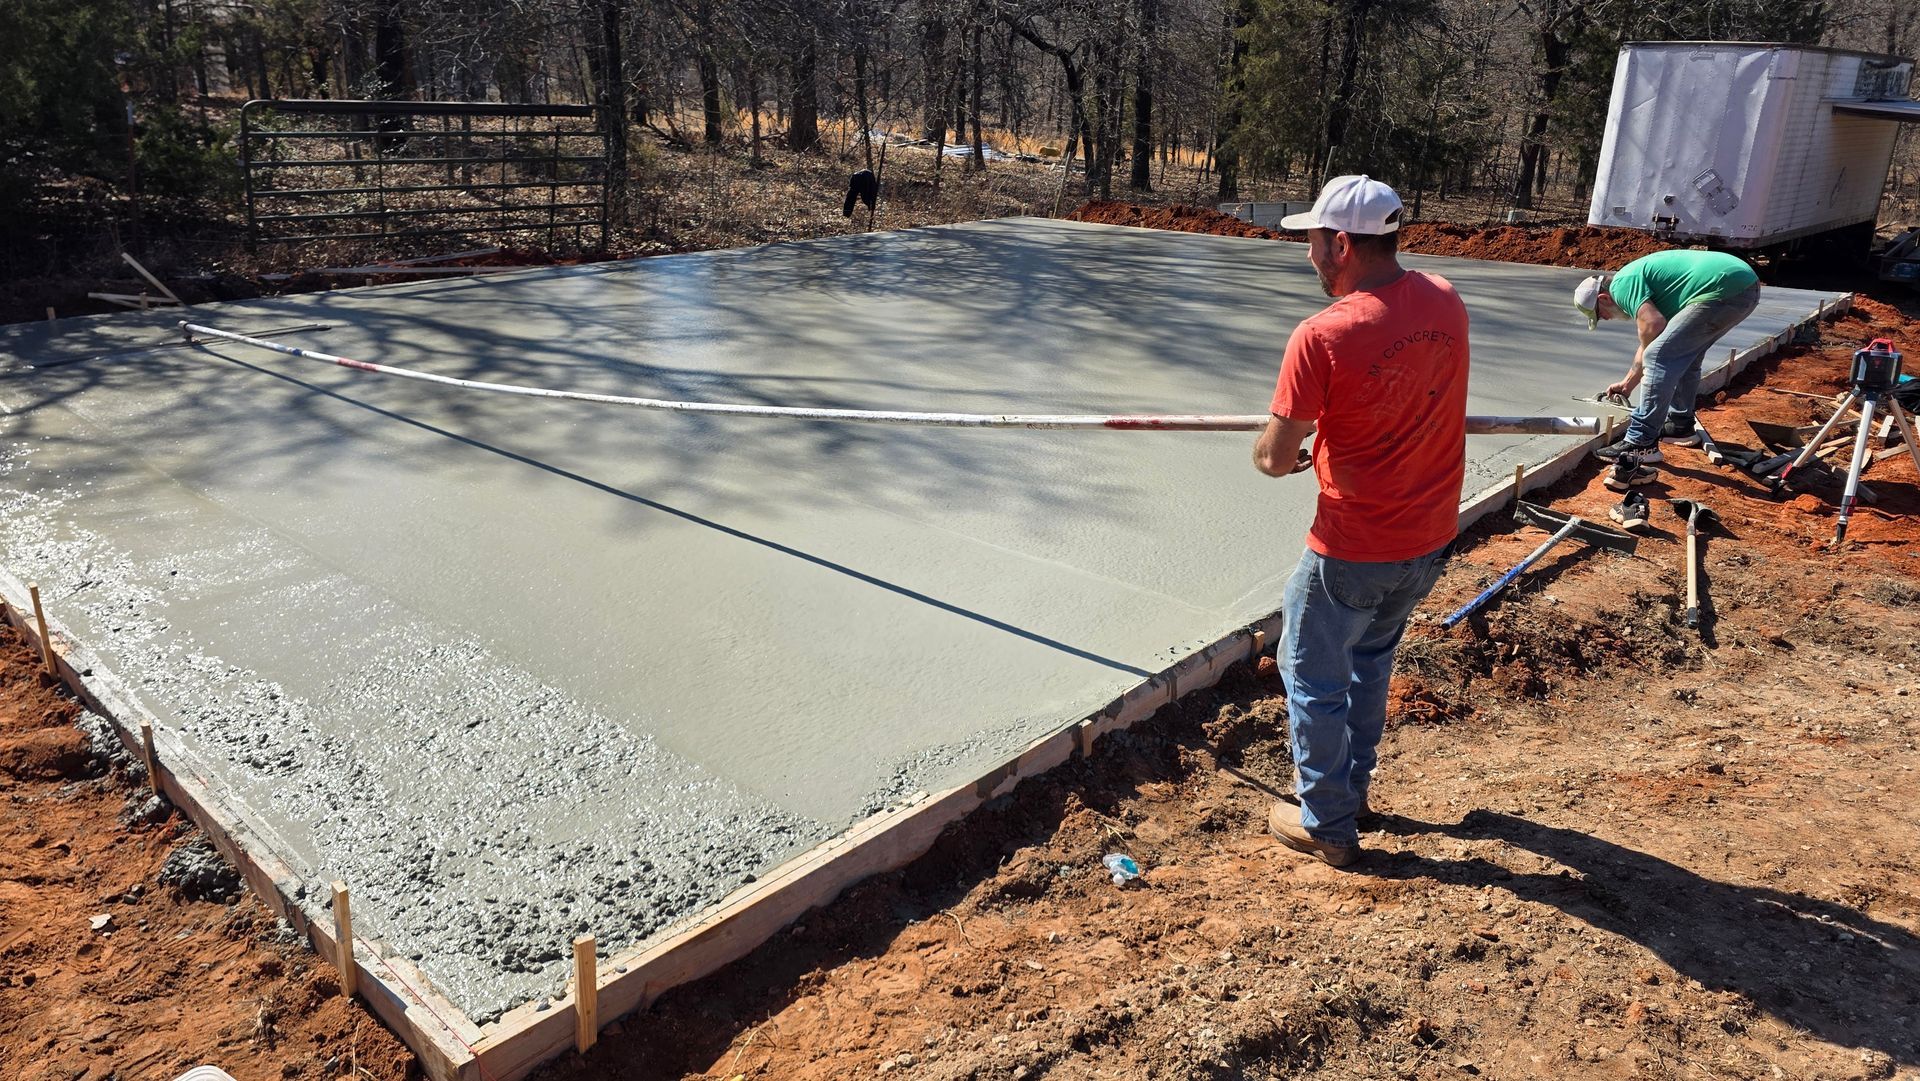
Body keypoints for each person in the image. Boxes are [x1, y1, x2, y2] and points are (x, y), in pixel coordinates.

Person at [1253, 175, 1470, 868]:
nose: (1309, 255)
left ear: (1341, 244)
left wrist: (1276, 449)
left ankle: (1327, 823)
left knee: (1311, 675)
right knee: (1369, 663)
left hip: (1353, 545)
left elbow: (1274, 458)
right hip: (1429, 536)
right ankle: (1354, 792)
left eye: (1314, 242)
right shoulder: (1444, 299)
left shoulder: (1322, 334)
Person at [1573, 250, 1761, 461]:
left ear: (1604, 298)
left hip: (1722, 287)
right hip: (1742, 286)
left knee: (1658, 357)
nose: (1606, 319)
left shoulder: (1621, 285)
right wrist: (1627, 384)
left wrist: (1650, 358)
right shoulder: (1655, 292)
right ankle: (1679, 426)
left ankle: (1641, 442)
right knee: (1684, 358)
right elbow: (1654, 338)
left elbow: (1652, 328)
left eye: (1600, 314)